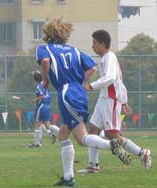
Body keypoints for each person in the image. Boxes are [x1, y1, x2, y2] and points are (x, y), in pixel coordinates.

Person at [36, 18, 131, 187]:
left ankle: (112, 144)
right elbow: (92, 68)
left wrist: (45, 80)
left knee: (81, 138)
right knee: (63, 133)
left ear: (47, 35)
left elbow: (45, 61)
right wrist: (79, 83)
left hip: (66, 93)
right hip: (78, 92)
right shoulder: (74, 50)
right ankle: (68, 178)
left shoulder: (44, 48)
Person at [78, 29, 151, 173]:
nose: (93, 46)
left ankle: (143, 153)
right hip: (103, 99)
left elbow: (111, 78)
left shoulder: (109, 57)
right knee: (93, 130)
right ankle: (93, 165)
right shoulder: (105, 58)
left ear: (103, 44)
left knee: (112, 135)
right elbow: (119, 81)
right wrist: (124, 101)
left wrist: (91, 86)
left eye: (95, 43)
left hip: (110, 101)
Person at [28, 70, 59, 147]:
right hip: (47, 106)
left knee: (37, 124)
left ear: (35, 80)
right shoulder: (44, 84)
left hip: (41, 106)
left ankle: (37, 143)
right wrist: (35, 73)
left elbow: (42, 96)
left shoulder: (38, 86)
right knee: (47, 125)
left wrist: (34, 100)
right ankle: (61, 132)